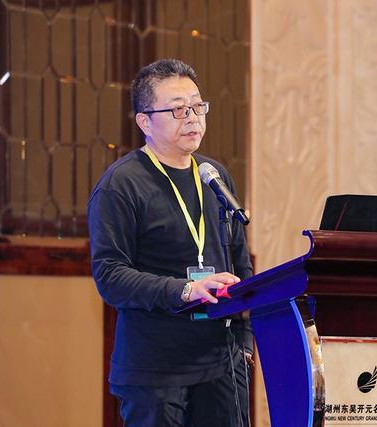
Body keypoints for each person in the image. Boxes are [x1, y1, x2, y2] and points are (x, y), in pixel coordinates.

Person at [87, 58, 253, 427]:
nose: (193, 118)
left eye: (198, 106)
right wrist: (186, 290)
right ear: (144, 121)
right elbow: (110, 276)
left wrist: (244, 342)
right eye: (178, 110)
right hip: (154, 370)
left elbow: (239, 263)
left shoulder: (214, 176)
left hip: (221, 363)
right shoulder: (121, 185)